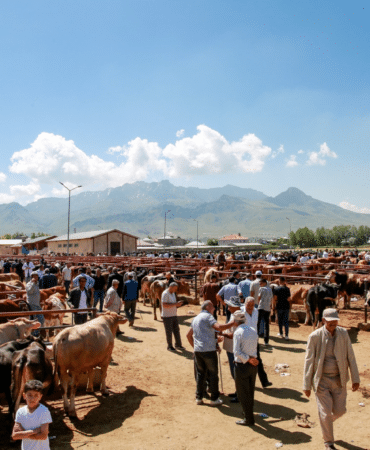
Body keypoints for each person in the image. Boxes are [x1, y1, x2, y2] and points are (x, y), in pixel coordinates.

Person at [303, 308, 360, 450]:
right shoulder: (315, 337)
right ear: (323, 321)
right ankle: (329, 442)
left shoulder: (343, 334)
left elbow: (350, 356)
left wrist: (355, 378)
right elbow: (309, 361)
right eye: (330, 322)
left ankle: (326, 421)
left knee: (340, 411)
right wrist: (306, 385)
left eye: (335, 322)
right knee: (325, 412)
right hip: (321, 381)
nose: (333, 325)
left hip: (339, 379)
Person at [187, 300, 235, 406]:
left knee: (200, 374)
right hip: (208, 351)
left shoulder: (195, 318)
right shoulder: (208, 317)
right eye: (213, 306)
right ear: (208, 306)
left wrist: (195, 347)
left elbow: (188, 335)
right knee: (213, 374)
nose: (214, 308)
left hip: (198, 351)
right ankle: (214, 399)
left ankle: (199, 398)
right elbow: (218, 327)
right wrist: (233, 323)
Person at [233, 310, 259, 426]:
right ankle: (249, 415)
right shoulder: (253, 330)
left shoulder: (238, 332)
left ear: (235, 321)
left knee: (242, 393)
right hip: (253, 365)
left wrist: (247, 359)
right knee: (250, 391)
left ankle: (248, 418)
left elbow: (236, 351)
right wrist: (252, 359)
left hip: (242, 365)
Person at [12, 379, 52, 449]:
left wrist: (24, 434)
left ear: (40, 397)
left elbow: (43, 436)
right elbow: (15, 435)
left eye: (36, 395)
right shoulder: (20, 412)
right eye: (29, 395)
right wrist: (35, 431)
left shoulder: (44, 411)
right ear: (24, 396)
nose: (32, 398)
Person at [242, 297, 272, 389]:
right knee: (245, 361)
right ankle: (246, 382)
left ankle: (264, 381)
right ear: (245, 304)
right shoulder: (241, 312)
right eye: (248, 305)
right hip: (244, 341)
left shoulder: (256, 311)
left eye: (252, 305)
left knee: (257, 360)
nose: (250, 307)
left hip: (254, 340)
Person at [161, 282, 184, 351]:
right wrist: (175, 304)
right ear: (170, 287)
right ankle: (170, 346)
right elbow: (164, 305)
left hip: (173, 315)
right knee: (169, 331)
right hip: (167, 316)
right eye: (175, 288)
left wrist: (176, 305)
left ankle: (178, 345)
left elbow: (173, 304)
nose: (175, 290)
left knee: (176, 330)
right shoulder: (165, 294)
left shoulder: (173, 293)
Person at [257, 279, 273, 345]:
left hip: (261, 307)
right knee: (266, 325)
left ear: (264, 283)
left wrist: (258, 303)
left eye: (260, 283)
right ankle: (266, 341)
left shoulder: (261, 289)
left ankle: (256, 339)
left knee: (258, 323)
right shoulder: (270, 289)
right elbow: (271, 298)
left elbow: (259, 297)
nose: (260, 285)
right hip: (267, 308)